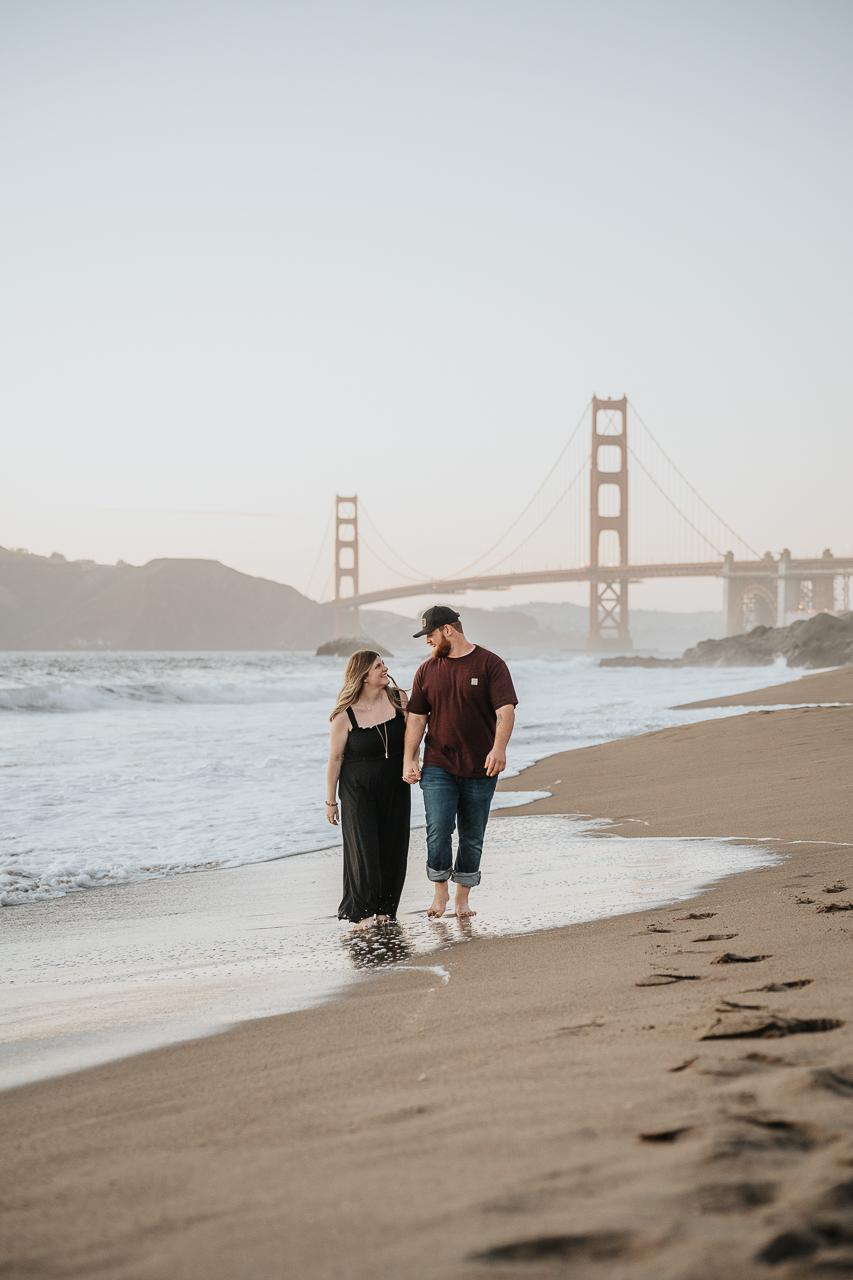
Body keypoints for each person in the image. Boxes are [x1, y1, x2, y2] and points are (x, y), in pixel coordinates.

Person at [402, 606, 517, 920]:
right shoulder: (426, 671)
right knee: (438, 827)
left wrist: (499, 749)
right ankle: (440, 892)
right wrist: (409, 758)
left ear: (447, 630)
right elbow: (416, 718)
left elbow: (505, 712)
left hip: (482, 766)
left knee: (471, 834)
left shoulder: (490, 663)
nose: (427, 640)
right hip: (438, 764)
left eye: (430, 633)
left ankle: (462, 898)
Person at [326, 651, 411, 930]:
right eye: (378, 666)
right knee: (364, 848)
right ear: (363, 675)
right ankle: (362, 912)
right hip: (356, 788)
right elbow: (335, 759)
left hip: (395, 785)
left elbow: (414, 734)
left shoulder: (399, 699)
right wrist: (330, 801)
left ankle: (386, 909)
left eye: (383, 663)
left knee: (393, 845)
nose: (385, 668)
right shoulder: (344, 715)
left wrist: (414, 760)